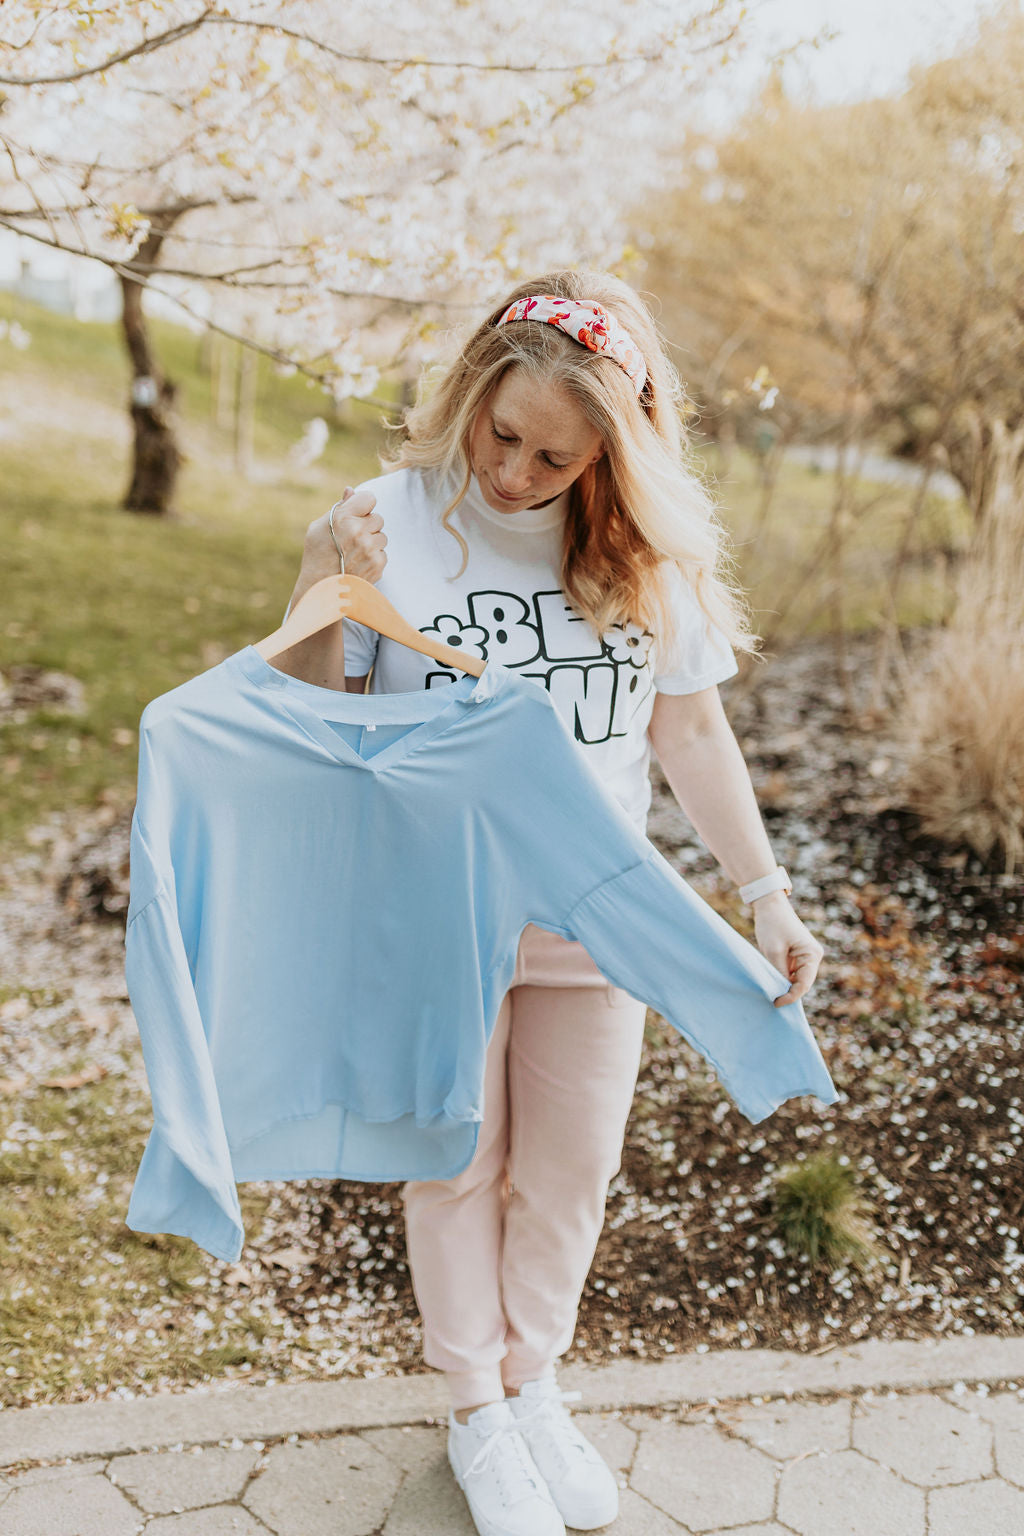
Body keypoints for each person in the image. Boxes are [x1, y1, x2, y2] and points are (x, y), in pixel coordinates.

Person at [275, 270, 824, 1536]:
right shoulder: (382, 519)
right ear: (470, 393)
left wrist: (767, 897)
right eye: (500, 434)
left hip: (591, 917)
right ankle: (473, 1410)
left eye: (554, 457)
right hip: (432, 914)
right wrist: (320, 579)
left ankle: (535, 1387)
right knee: (454, 1166)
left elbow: (690, 732)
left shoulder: (642, 559)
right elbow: (309, 716)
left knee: (570, 1173)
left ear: (609, 455)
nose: (515, 473)